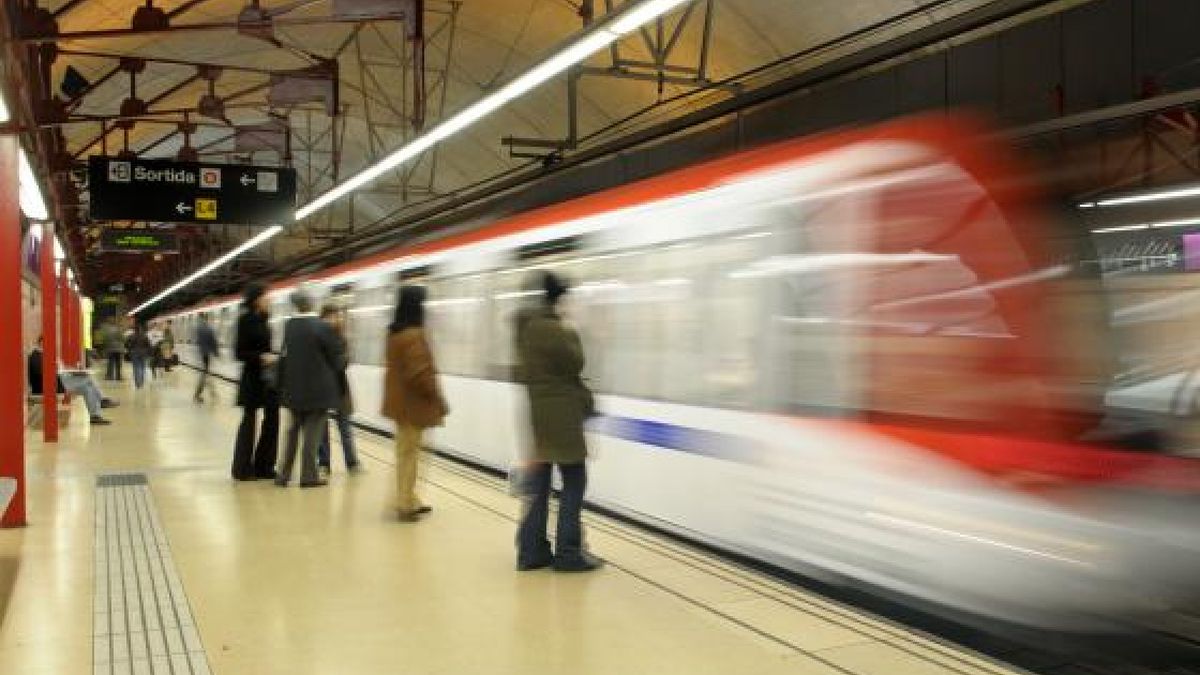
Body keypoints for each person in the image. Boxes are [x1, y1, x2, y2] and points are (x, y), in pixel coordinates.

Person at [514, 272, 602, 572]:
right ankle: (568, 552)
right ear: (559, 298)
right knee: (575, 481)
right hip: (563, 417)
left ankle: (531, 551)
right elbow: (576, 362)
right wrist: (571, 329)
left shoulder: (526, 328)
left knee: (539, 485)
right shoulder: (555, 329)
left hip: (539, 415)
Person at [381, 285, 448, 521]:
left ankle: (408, 497)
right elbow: (420, 373)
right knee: (410, 456)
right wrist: (437, 397)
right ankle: (405, 504)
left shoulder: (395, 333)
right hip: (414, 406)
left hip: (402, 405)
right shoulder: (413, 335)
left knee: (405, 454)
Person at [275, 288, 345, 488]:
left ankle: (283, 475)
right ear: (311, 302)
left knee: (291, 434)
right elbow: (336, 359)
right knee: (312, 436)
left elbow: (284, 356)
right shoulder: (321, 326)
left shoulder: (290, 326)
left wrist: (281, 386)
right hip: (318, 392)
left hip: (294, 391)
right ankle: (308, 476)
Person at [232, 283, 280, 481]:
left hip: (267, 379)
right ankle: (242, 469)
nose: (269, 299)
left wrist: (273, 356)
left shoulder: (264, 320)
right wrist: (262, 357)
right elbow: (239, 353)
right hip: (252, 379)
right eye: (266, 296)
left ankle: (265, 466)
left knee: (273, 420)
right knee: (249, 423)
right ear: (256, 299)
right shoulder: (245, 320)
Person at [28, 336, 117, 425]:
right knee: (87, 379)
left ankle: (95, 416)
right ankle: (101, 400)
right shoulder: (36, 356)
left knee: (87, 388)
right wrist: (58, 369)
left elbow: (58, 370)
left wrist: (71, 370)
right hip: (49, 386)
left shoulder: (46, 354)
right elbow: (41, 373)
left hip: (58, 381)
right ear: (41, 343)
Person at [316, 305, 361, 476]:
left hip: (340, 387)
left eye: (338, 317)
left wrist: (341, 359)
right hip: (322, 388)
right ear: (323, 318)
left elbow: (343, 362)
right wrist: (339, 359)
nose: (337, 320)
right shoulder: (318, 337)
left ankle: (352, 462)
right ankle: (324, 463)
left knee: (345, 428)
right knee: (322, 429)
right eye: (333, 316)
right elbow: (336, 362)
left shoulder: (341, 338)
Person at [194, 315, 219, 403]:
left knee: (206, 373)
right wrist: (216, 353)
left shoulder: (198, 329)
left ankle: (212, 392)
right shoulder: (209, 329)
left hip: (201, 354)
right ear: (207, 319)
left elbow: (197, 341)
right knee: (205, 374)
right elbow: (213, 342)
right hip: (207, 355)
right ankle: (198, 394)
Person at [126, 323, 153, 389]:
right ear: (140, 329)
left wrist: (130, 350)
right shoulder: (144, 336)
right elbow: (149, 345)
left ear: (134, 330)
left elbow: (127, 345)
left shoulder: (131, 336)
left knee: (136, 368)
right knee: (142, 368)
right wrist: (149, 353)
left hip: (134, 353)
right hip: (144, 353)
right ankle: (141, 383)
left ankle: (138, 384)